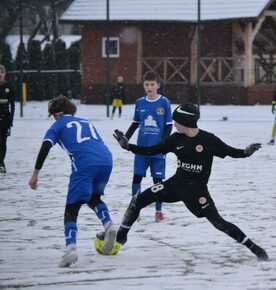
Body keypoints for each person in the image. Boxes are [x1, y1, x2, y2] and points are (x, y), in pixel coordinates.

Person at [111, 103, 269, 260]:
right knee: (137, 200)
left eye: (176, 121)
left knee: (218, 222)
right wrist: (128, 146)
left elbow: (231, 151)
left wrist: (246, 152)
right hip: (174, 186)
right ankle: (121, 236)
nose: (174, 125)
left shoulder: (208, 140)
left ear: (186, 122)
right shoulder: (176, 139)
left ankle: (254, 248)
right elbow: (153, 150)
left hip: (197, 192)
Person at [28, 96, 117, 267]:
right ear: (73, 112)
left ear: (55, 115)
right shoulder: (85, 121)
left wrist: (35, 174)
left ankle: (70, 249)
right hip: (106, 160)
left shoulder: (57, 125)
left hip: (85, 163)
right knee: (92, 197)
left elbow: (45, 147)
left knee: (72, 206)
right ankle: (109, 225)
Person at [124, 71, 172, 222]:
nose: (150, 87)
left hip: (158, 151)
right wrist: (125, 138)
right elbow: (136, 123)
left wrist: (163, 143)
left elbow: (168, 126)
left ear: (158, 85)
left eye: (152, 84)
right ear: (143, 85)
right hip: (141, 150)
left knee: (158, 183)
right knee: (136, 179)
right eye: (147, 84)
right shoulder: (140, 102)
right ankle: (135, 209)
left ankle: (158, 212)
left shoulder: (165, 102)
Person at [0, 64, 15, 173]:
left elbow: (12, 105)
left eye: (1, 72)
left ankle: (1, 163)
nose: (0, 74)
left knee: (2, 142)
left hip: (4, 118)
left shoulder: (9, 86)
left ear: (4, 74)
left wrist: (11, 121)